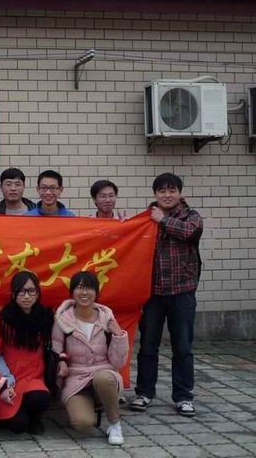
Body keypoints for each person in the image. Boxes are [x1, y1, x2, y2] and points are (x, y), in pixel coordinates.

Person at [130, 172, 203, 418]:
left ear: (180, 193)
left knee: (182, 347)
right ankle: (144, 393)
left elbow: (190, 233)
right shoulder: (145, 219)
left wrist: (162, 220)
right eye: (162, 191)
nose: (167, 195)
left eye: (172, 190)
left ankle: (183, 397)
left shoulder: (191, 217)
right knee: (148, 346)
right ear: (155, 194)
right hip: (152, 294)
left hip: (182, 293)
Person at [53, 272, 128, 446]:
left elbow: (118, 362)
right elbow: (56, 352)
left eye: (89, 288)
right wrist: (61, 362)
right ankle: (91, 406)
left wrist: (118, 335)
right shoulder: (62, 320)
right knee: (83, 424)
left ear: (96, 292)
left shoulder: (107, 319)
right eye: (79, 288)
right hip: (76, 378)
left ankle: (114, 424)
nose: (84, 292)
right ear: (72, 292)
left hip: (104, 374)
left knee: (103, 379)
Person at [0, 271, 53, 434]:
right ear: (13, 294)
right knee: (18, 426)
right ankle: (15, 417)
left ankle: (35, 418)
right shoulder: (3, 321)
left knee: (40, 398)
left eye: (31, 291)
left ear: (37, 293)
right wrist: (1, 385)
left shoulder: (46, 318)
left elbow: (59, 344)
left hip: (34, 378)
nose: (26, 296)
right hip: (9, 380)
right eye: (21, 291)